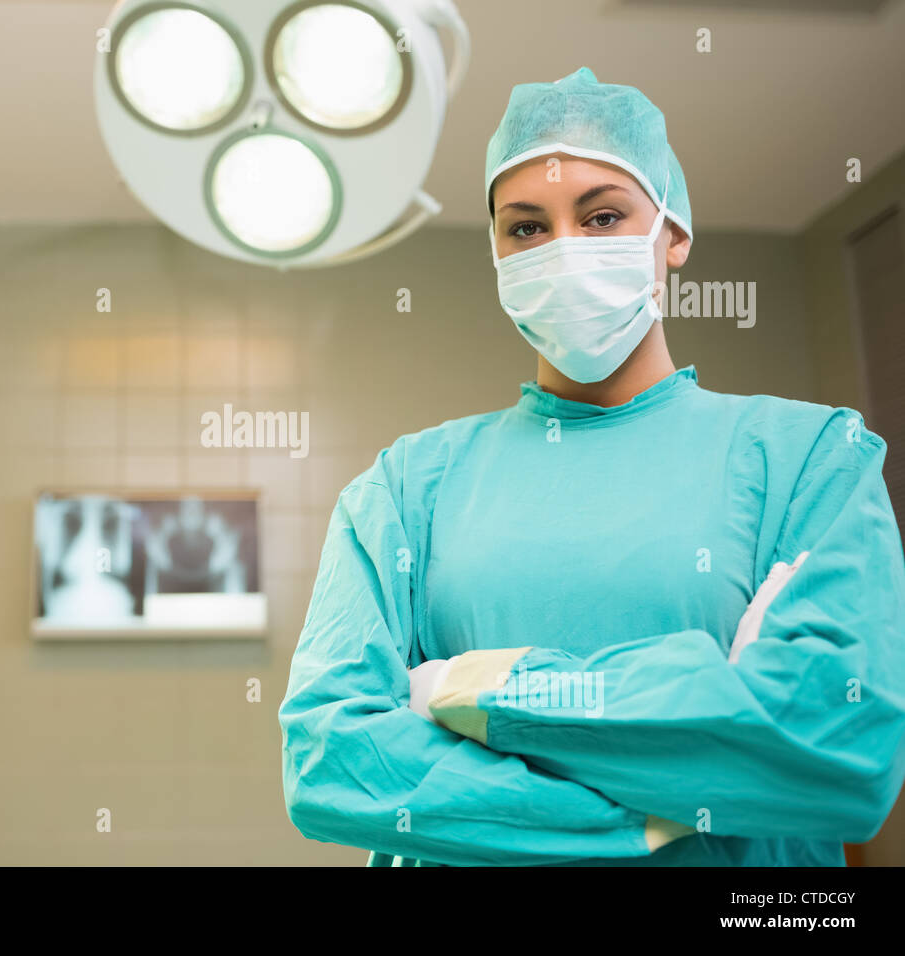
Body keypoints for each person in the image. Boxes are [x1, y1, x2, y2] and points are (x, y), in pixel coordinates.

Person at [277, 67, 905, 866]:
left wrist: (466, 693)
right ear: (497, 254)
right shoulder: (405, 489)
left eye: (604, 215)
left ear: (672, 234)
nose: (564, 250)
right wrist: (646, 810)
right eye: (527, 228)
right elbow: (330, 765)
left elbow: (837, 748)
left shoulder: (809, 459)